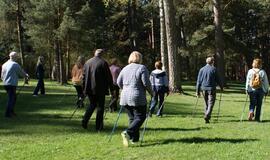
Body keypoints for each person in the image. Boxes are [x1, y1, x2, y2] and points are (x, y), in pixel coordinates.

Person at [117, 51, 153, 147]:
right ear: (140, 58)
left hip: (124, 96)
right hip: (137, 96)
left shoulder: (125, 68)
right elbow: (146, 83)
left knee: (132, 118)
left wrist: (124, 89)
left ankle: (134, 139)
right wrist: (152, 93)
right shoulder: (142, 68)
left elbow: (118, 81)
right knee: (141, 116)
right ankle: (128, 132)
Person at [81, 49, 114, 131]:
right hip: (100, 89)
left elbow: (84, 77)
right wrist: (112, 90)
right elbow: (109, 77)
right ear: (102, 54)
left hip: (89, 88)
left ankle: (84, 121)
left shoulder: (87, 62)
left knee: (92, 105)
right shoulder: (103, 63)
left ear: (95, 53)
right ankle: (98, 127)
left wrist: (84, 89)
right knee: (100, 107)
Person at [1, 51, 29, 118]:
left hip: (5, 84)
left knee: (13, 97)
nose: (17, 58)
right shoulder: (15, 64)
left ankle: (11, 111)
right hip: (12, 84)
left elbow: (2, 75)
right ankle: (7, 114)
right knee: (11, 98)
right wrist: (26, 75)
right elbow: (21, 72)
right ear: (14, 57)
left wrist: (4, 80)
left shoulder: (4, 64)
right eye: (16, 57)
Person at [196, 56, 223, 123]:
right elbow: (218, 79)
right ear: (212, 62)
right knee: (211, 103)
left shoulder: (202, 69)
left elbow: (199, 81)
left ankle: (207, 117)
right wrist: (221, 87)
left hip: (203, 88)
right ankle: (207, 115)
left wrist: (197, 91)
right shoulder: (214, 69)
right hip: (211, 89)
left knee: (206, 103)